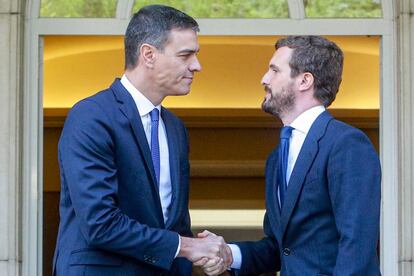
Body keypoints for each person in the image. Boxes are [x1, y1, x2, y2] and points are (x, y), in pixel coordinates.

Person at [52, 5, 228, 275]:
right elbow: (100, 223)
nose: (197, 65)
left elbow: (172, 224)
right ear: (148, 54)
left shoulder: (175, 129)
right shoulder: (91, 116)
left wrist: (205, 252)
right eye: (185, 55)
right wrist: (188, 247)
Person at [201, 35, 381, 275]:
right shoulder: (276, 158)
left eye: (275, 70)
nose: (264, 79)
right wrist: (229, 254)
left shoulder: (346, 143)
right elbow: (281, 247)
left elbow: (357, 244)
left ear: (305, 80)